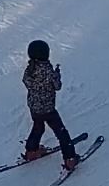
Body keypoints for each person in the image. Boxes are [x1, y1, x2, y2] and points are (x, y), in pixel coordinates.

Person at [21, 39, 80, 170]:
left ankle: (31, 151)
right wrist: (57, 74)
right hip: (48, 109)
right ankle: (70, 158)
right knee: (61, 132)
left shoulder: (30, 69)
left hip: (34, 108)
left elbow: (26, 82)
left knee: (38, 127)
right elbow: (57, 86)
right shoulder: (48, 70)